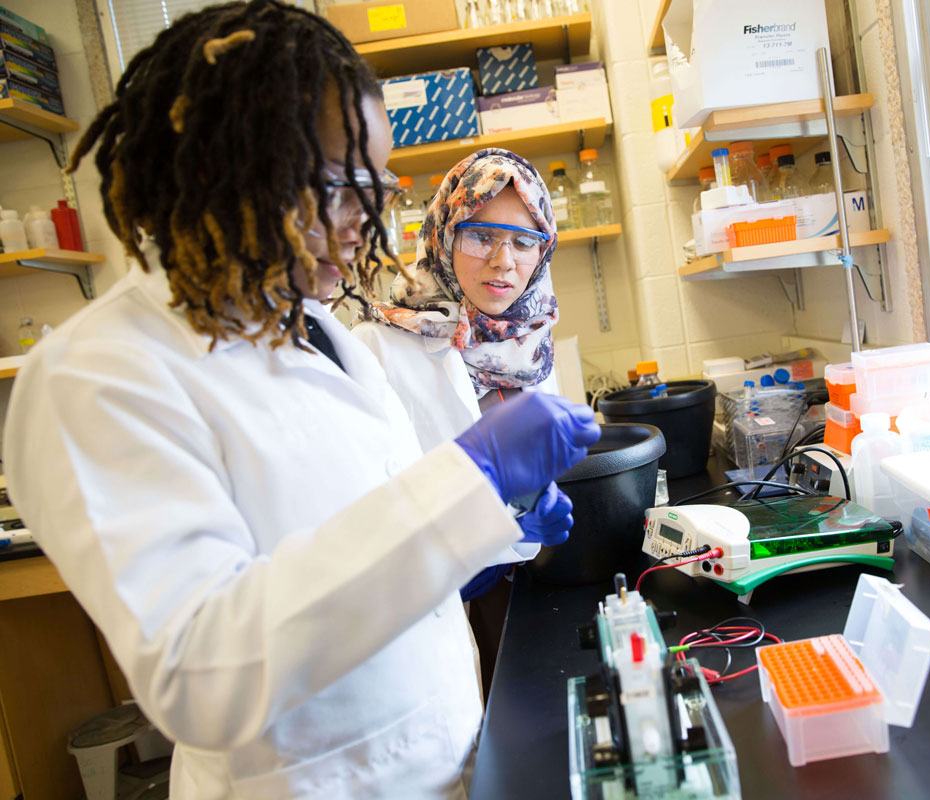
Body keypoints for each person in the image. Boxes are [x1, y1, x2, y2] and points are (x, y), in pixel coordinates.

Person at [0, 3, 599, 798]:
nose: (368, 222)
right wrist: (470, 476)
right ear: (233, 166)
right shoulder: (100, 375)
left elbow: (364, 542)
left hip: (448, 759)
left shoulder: (324, 330)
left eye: (375, 187)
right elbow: (201, 675)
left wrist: (491, 533)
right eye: (344, 186)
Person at [353, 148, 565, 692]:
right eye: (481, 235)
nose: (504, 260)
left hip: (525, 595)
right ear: (443, 234)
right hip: (427, 609)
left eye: (524, 241)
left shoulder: (533, 343)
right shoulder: (377, 348)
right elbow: (363, 513)